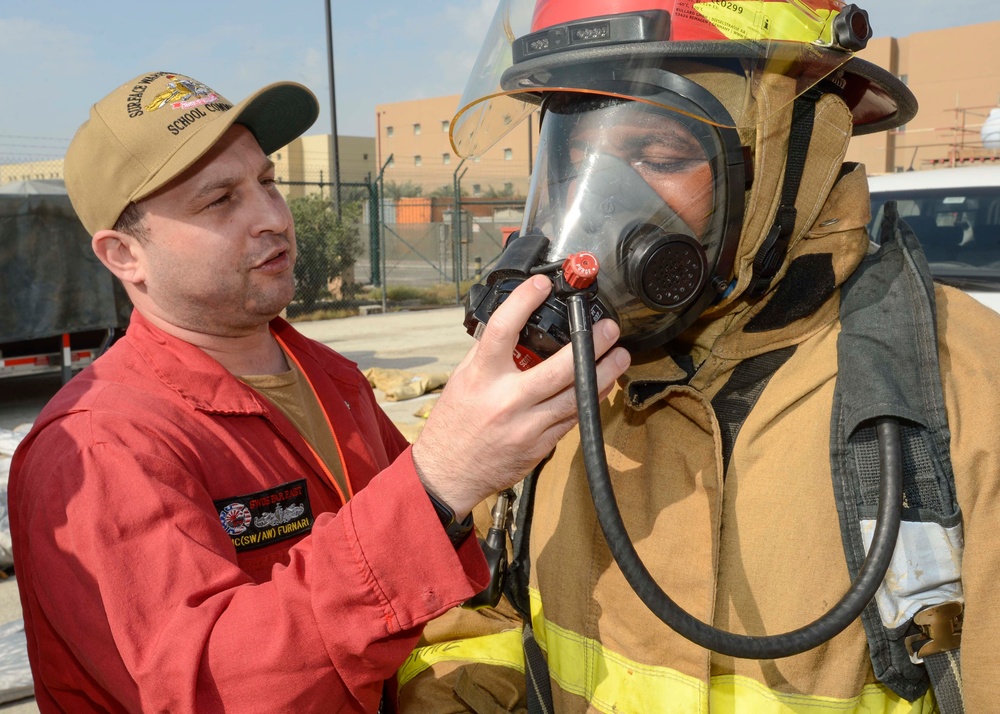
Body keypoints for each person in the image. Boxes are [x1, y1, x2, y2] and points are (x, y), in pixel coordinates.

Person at [398, 1, 1000, 712]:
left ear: (790, 156)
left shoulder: (962, 394)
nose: (599, 211)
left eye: (658, 156)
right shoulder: (545, 381)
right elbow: (474, 625)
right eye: (575, 160)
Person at [6, 70, 631, 713]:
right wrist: (439, 480)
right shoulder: (99, 449)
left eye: (268, 182)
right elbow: (212, 693)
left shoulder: (329, 379)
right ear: (123, 255)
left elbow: (433, 585)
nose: (272, 217)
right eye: (220, 200)